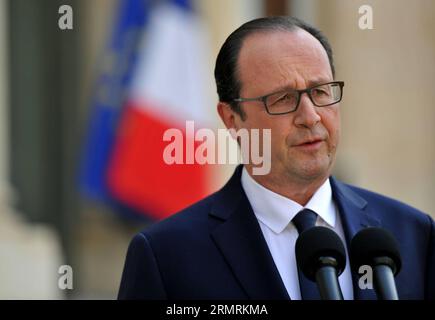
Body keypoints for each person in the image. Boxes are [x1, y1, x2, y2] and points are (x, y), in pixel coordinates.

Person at [118, 16, 435, 300]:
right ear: (231, 119)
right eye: (283, 99)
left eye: (321, 91)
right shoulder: (167, 255)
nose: (310, 117)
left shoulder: (411, 234)